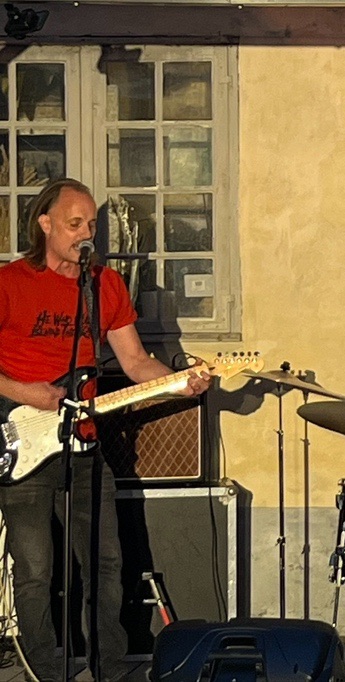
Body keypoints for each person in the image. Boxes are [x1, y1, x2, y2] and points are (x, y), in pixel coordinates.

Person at [0, 179, 211, 682]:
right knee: (35, 572)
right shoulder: (9, 283)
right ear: (45, 224)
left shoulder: (104, 285)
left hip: (85, 444)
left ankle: (109, 668)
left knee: (105, 564)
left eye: (91, 224)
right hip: (21, 438)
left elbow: (135, 362)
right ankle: (44, 672)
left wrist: (179, 383)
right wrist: (27, 392)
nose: (85, 233)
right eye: (74, 223)